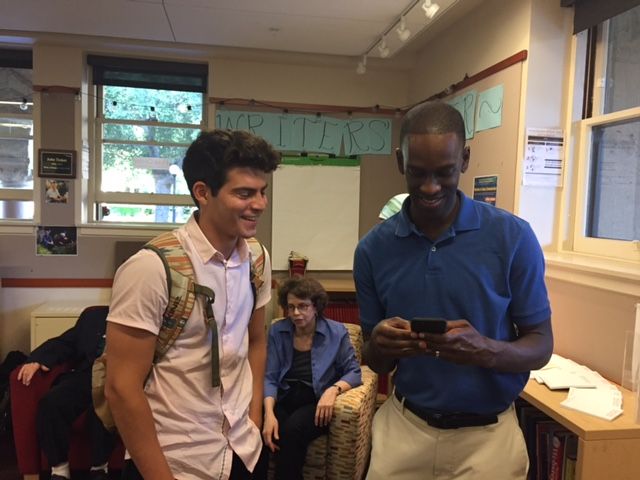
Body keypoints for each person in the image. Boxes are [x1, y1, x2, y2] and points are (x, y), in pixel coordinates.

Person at [353, 101, 553, 480]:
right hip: (403, 432)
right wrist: (380, 345)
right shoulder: (372, 250)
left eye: (444, 172)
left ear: (464, 159)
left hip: (489, 441)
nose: (430, 187)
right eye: (417, 173)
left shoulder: (513, 238)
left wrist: (485, 350)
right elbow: (375, 360)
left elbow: (541, 346)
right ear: (400, 162)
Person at [104, 129, 280, 480]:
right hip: (175, 460)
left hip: (244, 452)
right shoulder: (151, 268)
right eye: (244, 193)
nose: (259, 204)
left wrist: (254, 418)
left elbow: (256, 341)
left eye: (262, 192)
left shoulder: (257, 259)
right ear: (203, 192)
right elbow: (121, 388)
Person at [262, 277, 362, 480]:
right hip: (285, 395)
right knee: (264, 429)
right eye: (291, 307)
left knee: (291, 431)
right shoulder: (277, 331)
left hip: (315, 401)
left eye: (303, 306)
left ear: (316, 307)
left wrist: (333, 390)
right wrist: (268, 413)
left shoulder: (336, 332)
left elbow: (354, 371)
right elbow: (270, 377)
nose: (296, 313)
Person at [16, 306, 116, 480]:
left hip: (117, 377)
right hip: (86, 375)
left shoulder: (143, 316)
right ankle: (60, 469)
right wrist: (38, 360)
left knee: (102, 409)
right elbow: (65, 343)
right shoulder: (94, 316)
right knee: (51, 403)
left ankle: (100, 468)